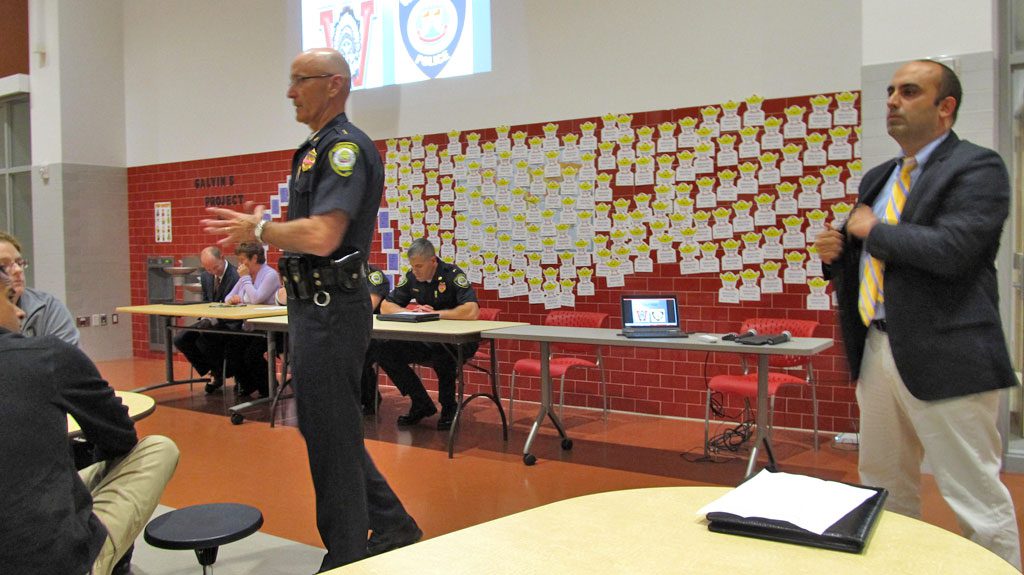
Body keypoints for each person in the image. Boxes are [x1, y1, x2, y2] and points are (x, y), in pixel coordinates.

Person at [202, 48, 420, 571]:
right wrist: (269, 227)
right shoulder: (313, 150)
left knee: (328, 430)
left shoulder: (344, 148)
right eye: (291, 80)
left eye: (302, 80)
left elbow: (324, 235)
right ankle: (392, 523)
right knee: (324, 427)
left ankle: (345, 553)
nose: (290, 90)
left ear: (335, 85)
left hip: (330, 306)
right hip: (311, 306)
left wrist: (260, 229)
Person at [813, 59, 1020, 569]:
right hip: (877, 349)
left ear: (944, 107)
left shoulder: (978, 167)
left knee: (973, 496)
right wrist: (836, 254)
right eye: (889, 92)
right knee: (882, 486)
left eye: (908, 92)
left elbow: (954, 250)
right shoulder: (880, 176)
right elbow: (872, 259)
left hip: (948, 353)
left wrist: (870, 232)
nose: (891, 101)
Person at [0, 269, 180, 575]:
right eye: (8, 298)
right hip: (54, 563)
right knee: (158, 449)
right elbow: (118, 437)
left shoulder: (49, 312)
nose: (20, 311)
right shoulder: (46, 355)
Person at [378, 238, 479, 431]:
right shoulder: (412, 277)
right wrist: (409, 311)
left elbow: (472, 311)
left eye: (419, 266)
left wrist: (436, 314)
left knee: (443, 354)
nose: (415, 271)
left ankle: (449, 407)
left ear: (433, 261)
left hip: (459, 342)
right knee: (383, 349)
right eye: (413, 266)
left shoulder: (452, 275)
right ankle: (420, 402)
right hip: (427, 340)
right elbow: (385, 306)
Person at [173, 246, 239, 393]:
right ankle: (213, 370)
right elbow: (206, 301)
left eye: (215, 267)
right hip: (210, 319)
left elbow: (236, 306)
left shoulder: (235, 276)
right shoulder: (205, 276)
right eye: (208, 269)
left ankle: (220, 373)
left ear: (222, 257)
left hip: (230, 322)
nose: (213, 272)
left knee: (206, 335)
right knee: (180, 339)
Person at [0, 231, 79, 346]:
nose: (18, 270)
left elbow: (69, 358)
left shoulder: (48, 307)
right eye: (4, 265)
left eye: (19, 262)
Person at [222, 241, 281, 397]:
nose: (240, 264)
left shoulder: (270, 275)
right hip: (249, 326)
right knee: (232, 348)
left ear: (254, 258)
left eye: (243, 260)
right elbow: (227, 297)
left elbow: (256, 299)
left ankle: (268, 387)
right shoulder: (244, 277)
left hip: (269, 327)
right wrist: (234, 298)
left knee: (251, 354)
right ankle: (247, 384)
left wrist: (246, 280)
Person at [361, 264, 389, 414]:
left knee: (358, 354)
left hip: (376, 334)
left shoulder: (373, 275)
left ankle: (369, 399)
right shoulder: (338, 274)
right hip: (350, 330)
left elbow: (368, 307)